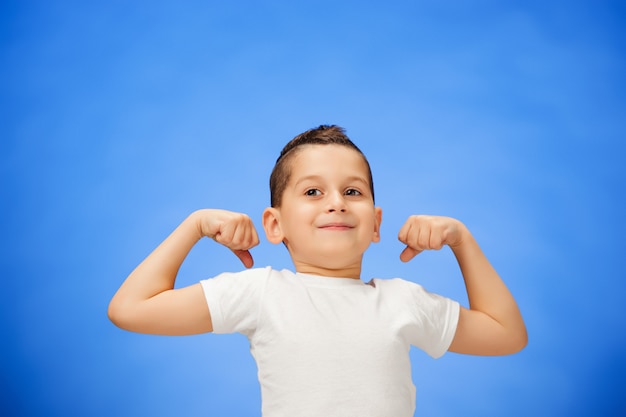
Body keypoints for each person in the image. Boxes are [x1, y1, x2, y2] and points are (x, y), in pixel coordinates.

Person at [108, 125, 527, 416]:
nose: (336, 203)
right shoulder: (261, 293)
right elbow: (130, 308)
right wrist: (194, 225)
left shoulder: (403, 301)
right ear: (275, 225)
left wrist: (461, 239)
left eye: (352, 191)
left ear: (376, 223)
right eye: (313, 191)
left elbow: (506, 334)